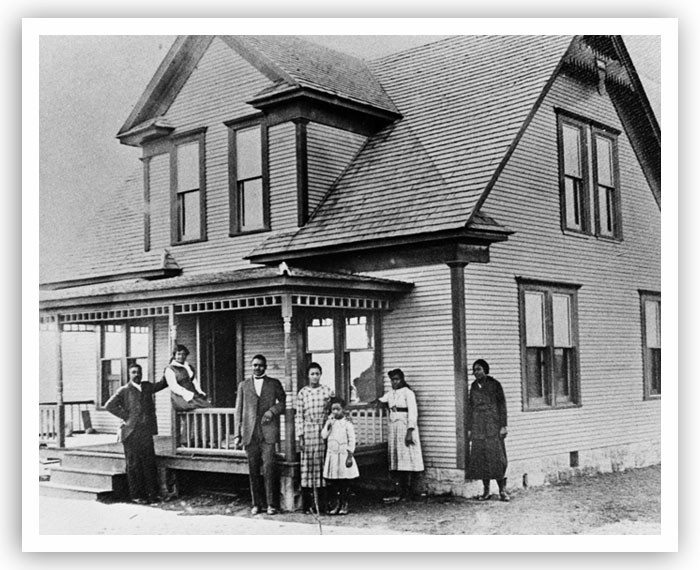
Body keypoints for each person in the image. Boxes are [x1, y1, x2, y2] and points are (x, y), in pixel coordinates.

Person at [104, 363, 168, 504]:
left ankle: (152, 494)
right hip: (131, 432)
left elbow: (162, 384)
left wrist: (168, 370)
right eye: (133, 372)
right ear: (129, 374)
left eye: (138, 372)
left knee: (149, 463)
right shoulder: (124, 390)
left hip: (145, 431)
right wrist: (126, 416)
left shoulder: (146, 387)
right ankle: (136, 495)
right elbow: (109, 405)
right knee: (134, 465)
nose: (136, 374)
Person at [232, 354, 286, 515]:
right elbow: (238, 410)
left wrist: (272, 411)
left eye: (261, 365)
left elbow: (283, 402)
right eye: (255, 365)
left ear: (265, 366)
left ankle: (272, 504)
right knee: (253, 470)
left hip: (268, 434)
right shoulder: (244, 385)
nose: (258, 368)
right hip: (250, 434)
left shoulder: (274, 384)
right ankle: (257, 504)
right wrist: (237, 435)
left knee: (270, 468)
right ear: (251, 366)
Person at [375, 368, 424, 500]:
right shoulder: (391, 394)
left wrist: (410, 431)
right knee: (397, 459)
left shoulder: (408, 393)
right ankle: (400, 491)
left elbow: (413, 413)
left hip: (405, 427)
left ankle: (408, 491)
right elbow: (381, 401)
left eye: (397, 379)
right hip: (394, 426)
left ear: (402, 380)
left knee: (407, 459)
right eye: (392, 380)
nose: (394, 382)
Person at [465, 359, 509, 502]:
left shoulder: (495, 385)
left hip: (492, 426)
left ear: (485, 370)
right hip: (478, 427)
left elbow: (502, 405)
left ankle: (502, 490)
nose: (476, 372)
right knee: (481, 459)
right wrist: (470, 429)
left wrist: (503, 426)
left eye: (479, 369)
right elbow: (470, 408)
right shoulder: (473, 386)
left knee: (496, 458)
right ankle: (486, 491)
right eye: (474, 370)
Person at [295, 362, 334, 514]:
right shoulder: (303, 393)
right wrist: (301, 436)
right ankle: (307, 505)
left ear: (320, 375)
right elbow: (299, 416)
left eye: (317, 373)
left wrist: (328, 426)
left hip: (322, 431)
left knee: (321, 465)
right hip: (308, 430)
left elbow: (333, 409)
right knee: (307, 466)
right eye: (312, 374)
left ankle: (322, 504)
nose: (315, 376)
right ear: (308, 376)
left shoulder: (327, 391)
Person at [321, 396, 359, 515]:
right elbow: (323, 436)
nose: (335, 412)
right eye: (333, 409)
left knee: (344, 482)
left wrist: (349, 456)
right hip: (333, 455)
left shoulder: (347, 423)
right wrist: (328, 425)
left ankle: (344, 504)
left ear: (343, 409)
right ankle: (336, 504)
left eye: (338, 409)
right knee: (334, 482)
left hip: (343, 455)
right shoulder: (330, 422)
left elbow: (352, 440)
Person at [162, 344, 210, 411]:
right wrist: (187, 394)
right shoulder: (170, 369)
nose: (181, 356)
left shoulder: (188, 367)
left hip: (192, 394)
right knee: (198, 407)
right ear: (174, 355)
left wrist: (200, 392)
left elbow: (194, 381)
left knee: (207, 405)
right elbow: (174, 386)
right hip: (180, 397)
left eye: (183, 354)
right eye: (179, 354)